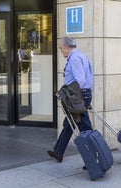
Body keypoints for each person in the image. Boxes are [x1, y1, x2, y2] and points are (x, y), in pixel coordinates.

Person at [47, 36, 94, 167]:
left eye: (61, 48)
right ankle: (58, 152)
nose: (61, 51)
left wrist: (66, 93)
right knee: (69, 124)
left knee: (85, 128)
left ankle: (94, 158)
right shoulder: (81, 56)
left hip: (77, 98)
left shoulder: (74, 59)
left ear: (67, 47)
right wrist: (87, 97)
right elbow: (89, 79)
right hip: (82, 96)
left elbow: (80, 81)